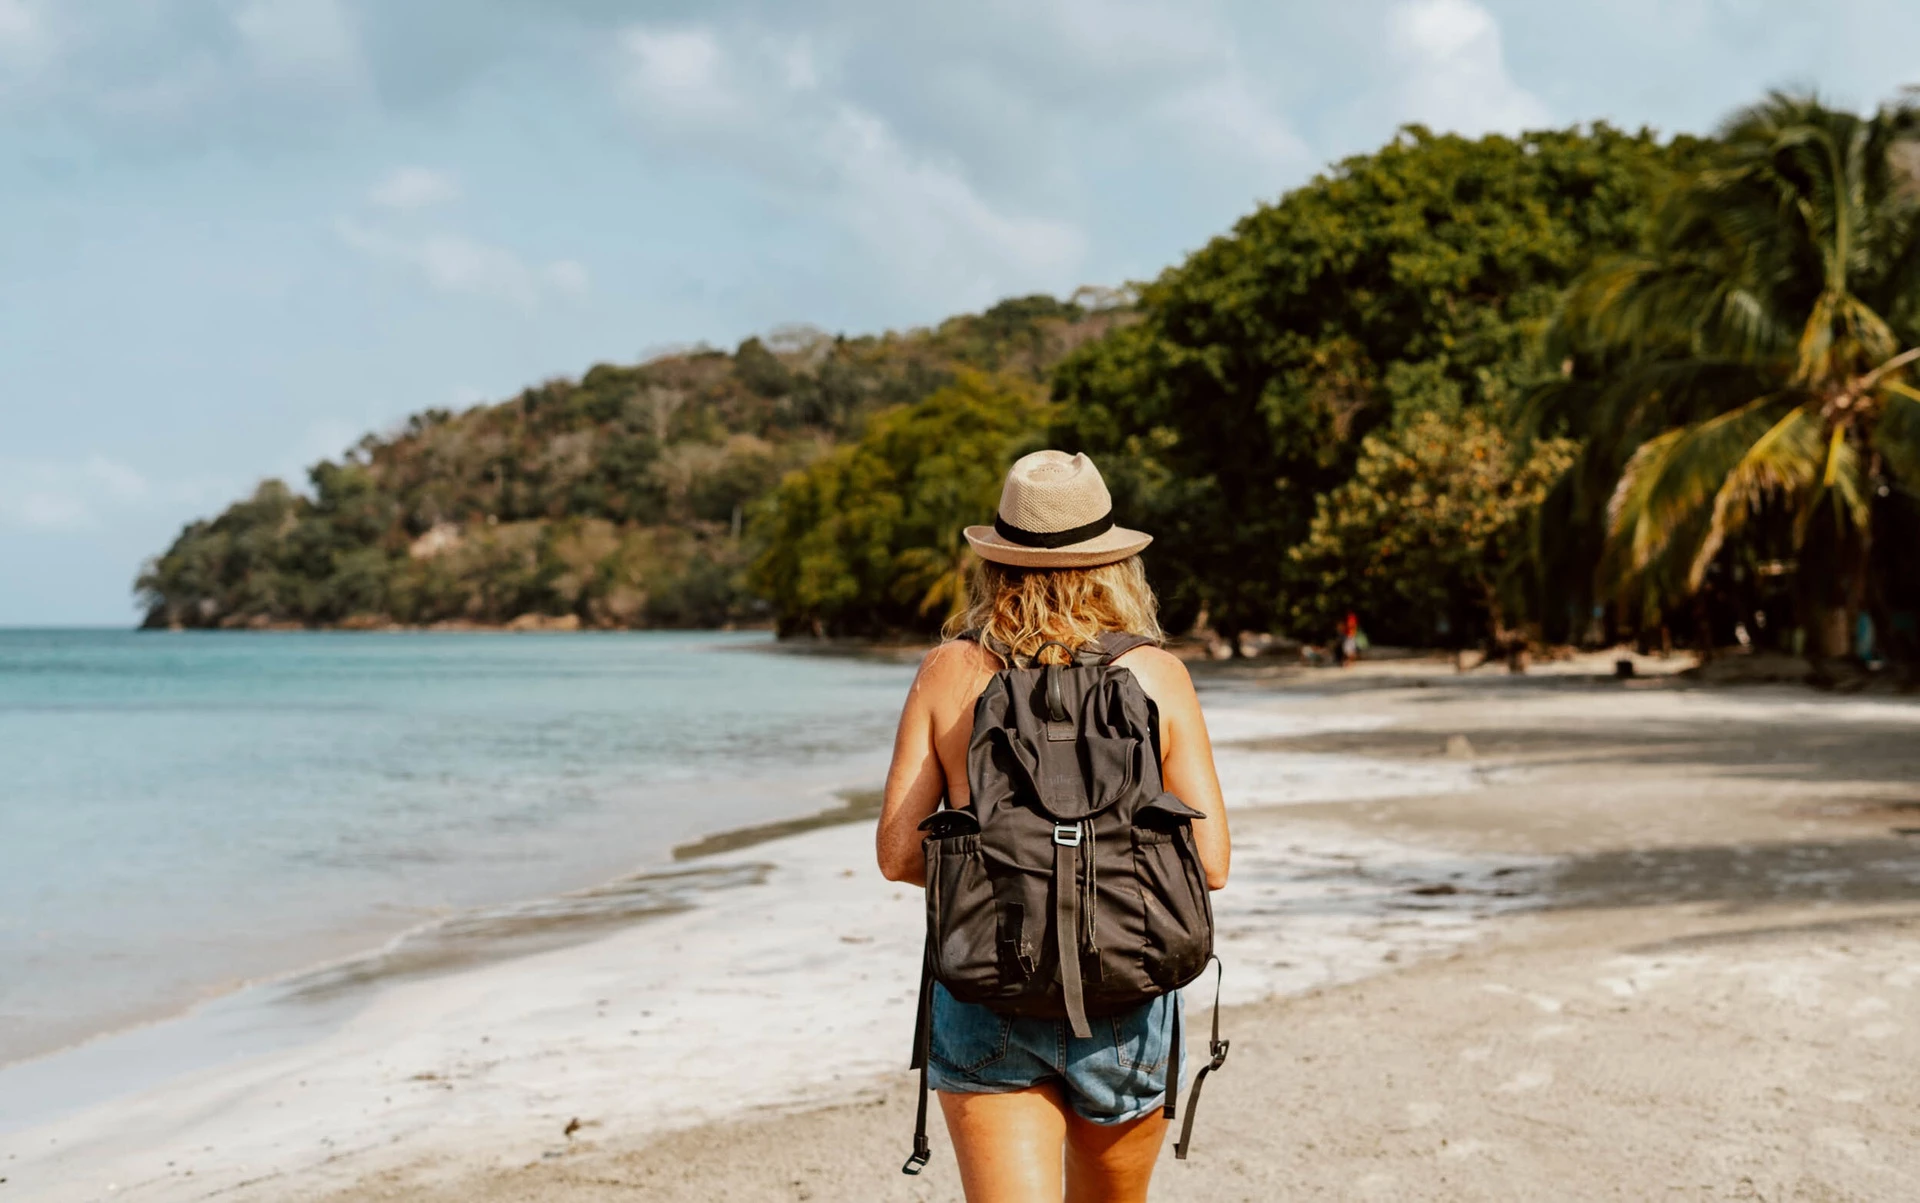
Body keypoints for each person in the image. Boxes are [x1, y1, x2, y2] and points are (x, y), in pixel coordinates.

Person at [876, 450, 1231, 1203]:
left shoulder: (949, 671)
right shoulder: (1155, 674)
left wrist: (1006, 874)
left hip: (987, 989)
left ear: (995, 561)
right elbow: (1211, 862)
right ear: (1116, 563)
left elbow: (899, 853)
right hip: (1127, 990)